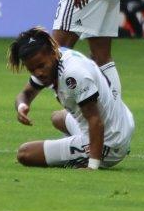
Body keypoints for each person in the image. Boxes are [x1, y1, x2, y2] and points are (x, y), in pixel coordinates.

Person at [8, 27, 136, 169]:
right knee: (57, 117)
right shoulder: (52, 60)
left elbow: (95, 120)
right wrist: (22, 106)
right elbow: (25, 95)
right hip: (120, 123)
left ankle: (87, 154)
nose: (38, 73)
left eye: (41, 66)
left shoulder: (73, 75)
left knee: (25, 153)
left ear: (53, 53)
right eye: (32, 70)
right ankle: (74, 147)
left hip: (110, 142)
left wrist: (92, 166)